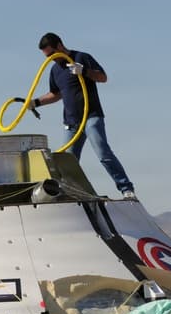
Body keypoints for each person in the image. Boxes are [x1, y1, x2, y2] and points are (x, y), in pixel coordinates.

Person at [30, 32, 136, 199]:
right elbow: (56, 94)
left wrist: (84, 71)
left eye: (51, 54)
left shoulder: (82, 57)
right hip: (71, 123)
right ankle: (71, 194)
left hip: (91, 116)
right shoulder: (55, 70)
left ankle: (126, 189)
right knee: (67, 162)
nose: (51, 58)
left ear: (59, 46)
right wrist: (35, 102)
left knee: (103, 154)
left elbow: (103, 77)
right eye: (47, 56)